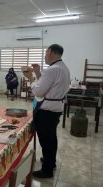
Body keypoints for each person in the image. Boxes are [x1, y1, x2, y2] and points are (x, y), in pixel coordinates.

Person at [23, 44, 70, 178]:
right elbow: (46, 84)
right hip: (56, 109)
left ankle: (47, 170)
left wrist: (31, 78)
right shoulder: (62, 67)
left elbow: (38, 90)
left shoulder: (52, 69)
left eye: (45, 52)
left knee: (46, 140)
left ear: (50, 52)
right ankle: (51, 161)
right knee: (51, 138)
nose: (45, 55)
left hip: (47, 111)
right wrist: (38, 73)